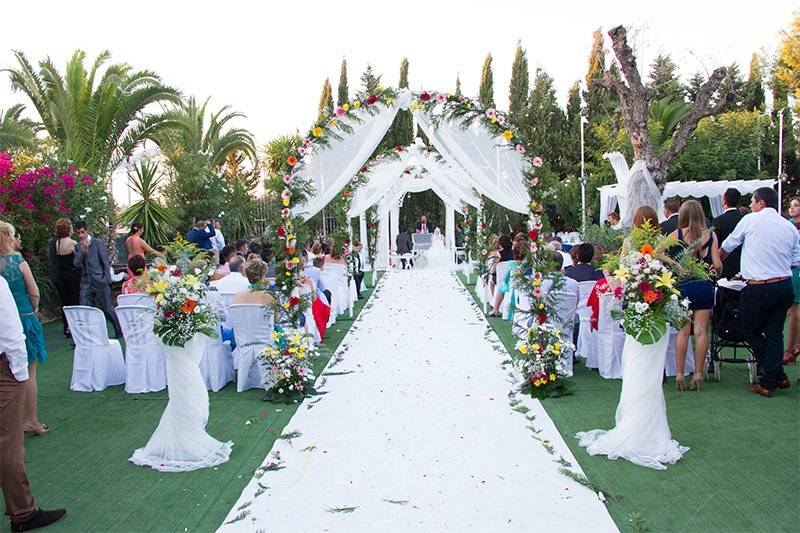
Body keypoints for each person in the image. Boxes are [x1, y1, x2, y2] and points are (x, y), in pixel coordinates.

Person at [0, 275, 67, 532]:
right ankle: (23, 512)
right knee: (9, 443)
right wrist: (18, 372)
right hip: (5, 368)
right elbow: (9, 330)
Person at [720, 187, 800, 397]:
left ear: (761, 202)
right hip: (783, 285)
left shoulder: (750, 220)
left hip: (758, 286)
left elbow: (728, 245)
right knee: (774, 332)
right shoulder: (789, 227)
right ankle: (777, 375)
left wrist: (717, 262)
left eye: (753, 202)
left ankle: (769, 380)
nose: (752, 205)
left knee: (749, 329)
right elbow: (795, 261)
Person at [0, 222, 49, 437]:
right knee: (29, 372)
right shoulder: (18, 261)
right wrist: (34, 307)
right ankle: (31, 420)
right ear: (8, 236)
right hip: (24, 319)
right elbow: (34, 291)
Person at [668, 199, 723, 391]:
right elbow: (716, 265)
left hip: (683, 288)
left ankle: (680, 374)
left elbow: (659, 254)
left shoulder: (676, 234)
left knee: (682, 332)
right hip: (704, 287)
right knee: (701, 332)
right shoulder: (710, 235)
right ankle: (699, 374)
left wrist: (676, 266)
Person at [73, 221, 123, 339]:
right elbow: (76, 264)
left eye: (82, 232)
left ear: (87, 231)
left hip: (100, 280)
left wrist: (106, 279)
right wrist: (82, 252)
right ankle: (89, 335)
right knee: (85, 308)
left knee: (108, 308)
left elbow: (105, 262)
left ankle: (119, 330)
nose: (80, 235)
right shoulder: (77, 246)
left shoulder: (98, 243)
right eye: (78, 233)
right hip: (86, 282)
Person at [49, 218, 80, 338]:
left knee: (65, 302)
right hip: (72, 274)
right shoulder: (72, 243)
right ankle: (75, 327)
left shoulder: (56, 243)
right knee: (74, 301)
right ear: (69, 228)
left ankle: (66, 327)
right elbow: (78, 260)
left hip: (61, 275)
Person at [711, 189, 744, 279]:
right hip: (742, 265)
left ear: (724, 200)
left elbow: (714, 244)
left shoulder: (718, 221)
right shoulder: (743, 219)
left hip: (724, 266)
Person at [785, 197, 800, 365]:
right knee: (790, 311)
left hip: (797, 269)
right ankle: (793, 346)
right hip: (787, 268)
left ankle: (791, 348)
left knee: (794, 310)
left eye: (796, 205)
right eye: (790, 205)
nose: (792, 208)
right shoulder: (788, 224)